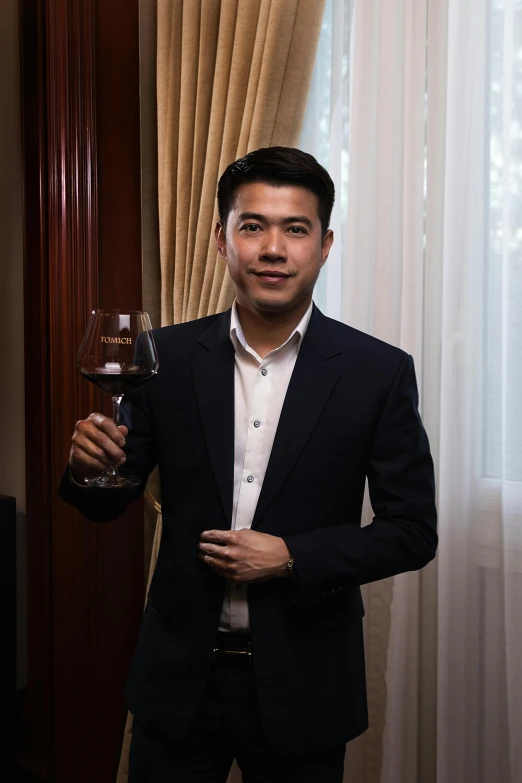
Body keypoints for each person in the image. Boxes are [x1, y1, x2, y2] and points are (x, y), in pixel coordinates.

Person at [59, 147, 437, 783]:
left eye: (296, 229)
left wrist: (291, 556)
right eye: (252, 225)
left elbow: (413, 533)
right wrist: (85, 464)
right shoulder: (165, 355)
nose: (273, 248)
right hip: (178, 679)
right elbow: (105, 502)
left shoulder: (378, 371)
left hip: (307, 681)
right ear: (221, 239)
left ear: (324, 244)